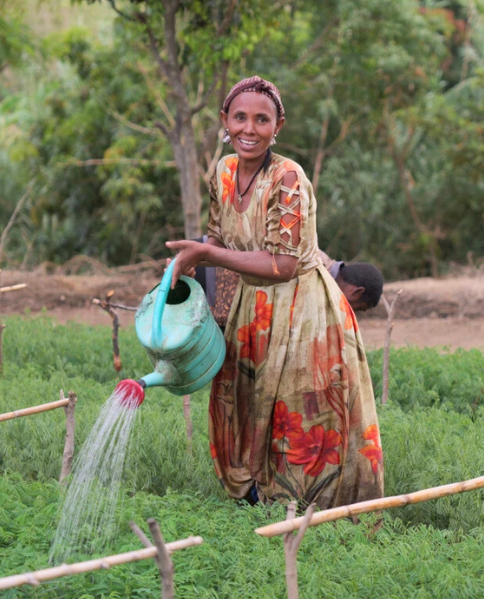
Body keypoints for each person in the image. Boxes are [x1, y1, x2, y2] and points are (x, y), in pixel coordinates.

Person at [165, 76, 384, 509]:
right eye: (240, 117)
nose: (250, 128)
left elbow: (282, 264)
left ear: (278, 124)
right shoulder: (223, 172)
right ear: (225, 121)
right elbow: (219, 244)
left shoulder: (288, 177)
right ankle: (257, 504)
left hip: (304, 312)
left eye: (261, 119)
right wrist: (186, 267)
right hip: (253, 309)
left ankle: (313, 519)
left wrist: (207, 253)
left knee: (300, 417)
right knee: (242, 405)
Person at [196, 253, 383, 329]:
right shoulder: (318, 278)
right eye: (358, 308)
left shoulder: (321, 262)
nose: (351, 314)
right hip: (210, 276)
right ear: (356, 292)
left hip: (210, 261)